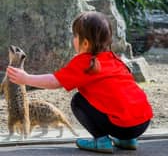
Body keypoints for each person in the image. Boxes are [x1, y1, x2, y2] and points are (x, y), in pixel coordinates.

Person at [7, 11, 153, 153]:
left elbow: (54, 81)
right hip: (143, 123)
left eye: (75, 36)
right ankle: (128, 141)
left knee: (78, 101)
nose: (73, 39)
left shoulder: (85, 63)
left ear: (85, 43)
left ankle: (101, 141)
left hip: (121, 126)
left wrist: (26, 78)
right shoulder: (114, 59)